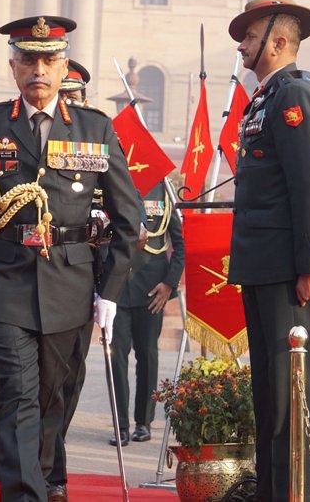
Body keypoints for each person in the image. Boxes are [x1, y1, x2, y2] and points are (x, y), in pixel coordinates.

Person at [0, 16, 142, 502]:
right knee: (18, 393)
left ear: (63, 67)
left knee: (51, 397)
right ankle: (25, 494)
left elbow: (130, 217)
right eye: (28, 60)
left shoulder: (95, 128)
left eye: (48, 61)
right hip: (4, 281)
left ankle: (44, 477)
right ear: (13, 67)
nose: (38, 70)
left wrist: (110, 292)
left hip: (69, 282)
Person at [226, 0, 310, 501]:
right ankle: (273, 489)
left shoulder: (294, 96)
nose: (242, 45)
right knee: (270, 391)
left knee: (292, 391)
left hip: (287, 271)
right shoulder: (265, 98)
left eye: (250, 36)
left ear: (279, 41)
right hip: (261, 265)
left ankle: (300, 492)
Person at [110, 183, 184, 446]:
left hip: (152, 289)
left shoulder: (162, 189)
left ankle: (144, 422)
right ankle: (120, 425)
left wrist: (169, 284)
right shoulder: (111, 182)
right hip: (115, 288)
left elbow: (180, 244)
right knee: (115, 358)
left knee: (147, 355)